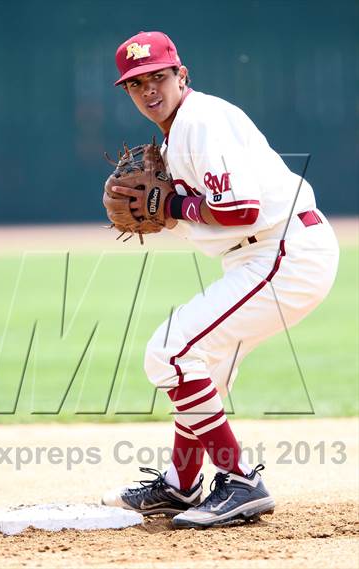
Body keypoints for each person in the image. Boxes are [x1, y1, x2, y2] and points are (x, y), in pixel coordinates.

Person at [101, 31, 339, 529]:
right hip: (267, 254)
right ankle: (182, 484)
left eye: (159, 77)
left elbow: (242, 209)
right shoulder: (179, 131)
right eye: (136, 83)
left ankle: (241, 482)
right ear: (127, 92)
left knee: (168, 351)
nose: (149, 90)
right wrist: (175, 207)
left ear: (181, 75)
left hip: (283, 252)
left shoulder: (200, 121)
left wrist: (169, 205)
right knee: (199, 363)